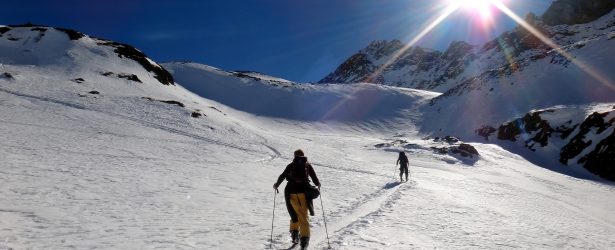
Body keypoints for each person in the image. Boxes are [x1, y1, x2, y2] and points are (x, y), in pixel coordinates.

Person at [273, 149, 321, 249]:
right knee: (303, 217)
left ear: (294, 156)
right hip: (303, 194)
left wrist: (276, 185)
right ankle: (304, 242)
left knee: (294, 213)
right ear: (303, 156)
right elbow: (314, 177)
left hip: (290, 193)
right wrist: (317, 185)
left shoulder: (291, 165)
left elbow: (282, 176)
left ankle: (294, 235)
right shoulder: (307, 165)